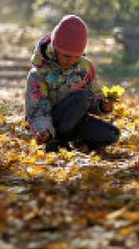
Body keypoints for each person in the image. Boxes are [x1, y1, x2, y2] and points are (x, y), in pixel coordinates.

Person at [24, 14, 120, 151]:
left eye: (77, 57)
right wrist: (43, 130)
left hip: (76, 121)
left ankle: (77, 140)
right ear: (55, 49)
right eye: (67, 56)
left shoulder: (86, 67)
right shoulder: (39, 73)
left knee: (112, 134)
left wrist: (103, 105)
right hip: (51, 121)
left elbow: (93, 97)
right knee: (81, 97)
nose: (71, 61)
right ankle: (55, 140)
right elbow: (37, 109)